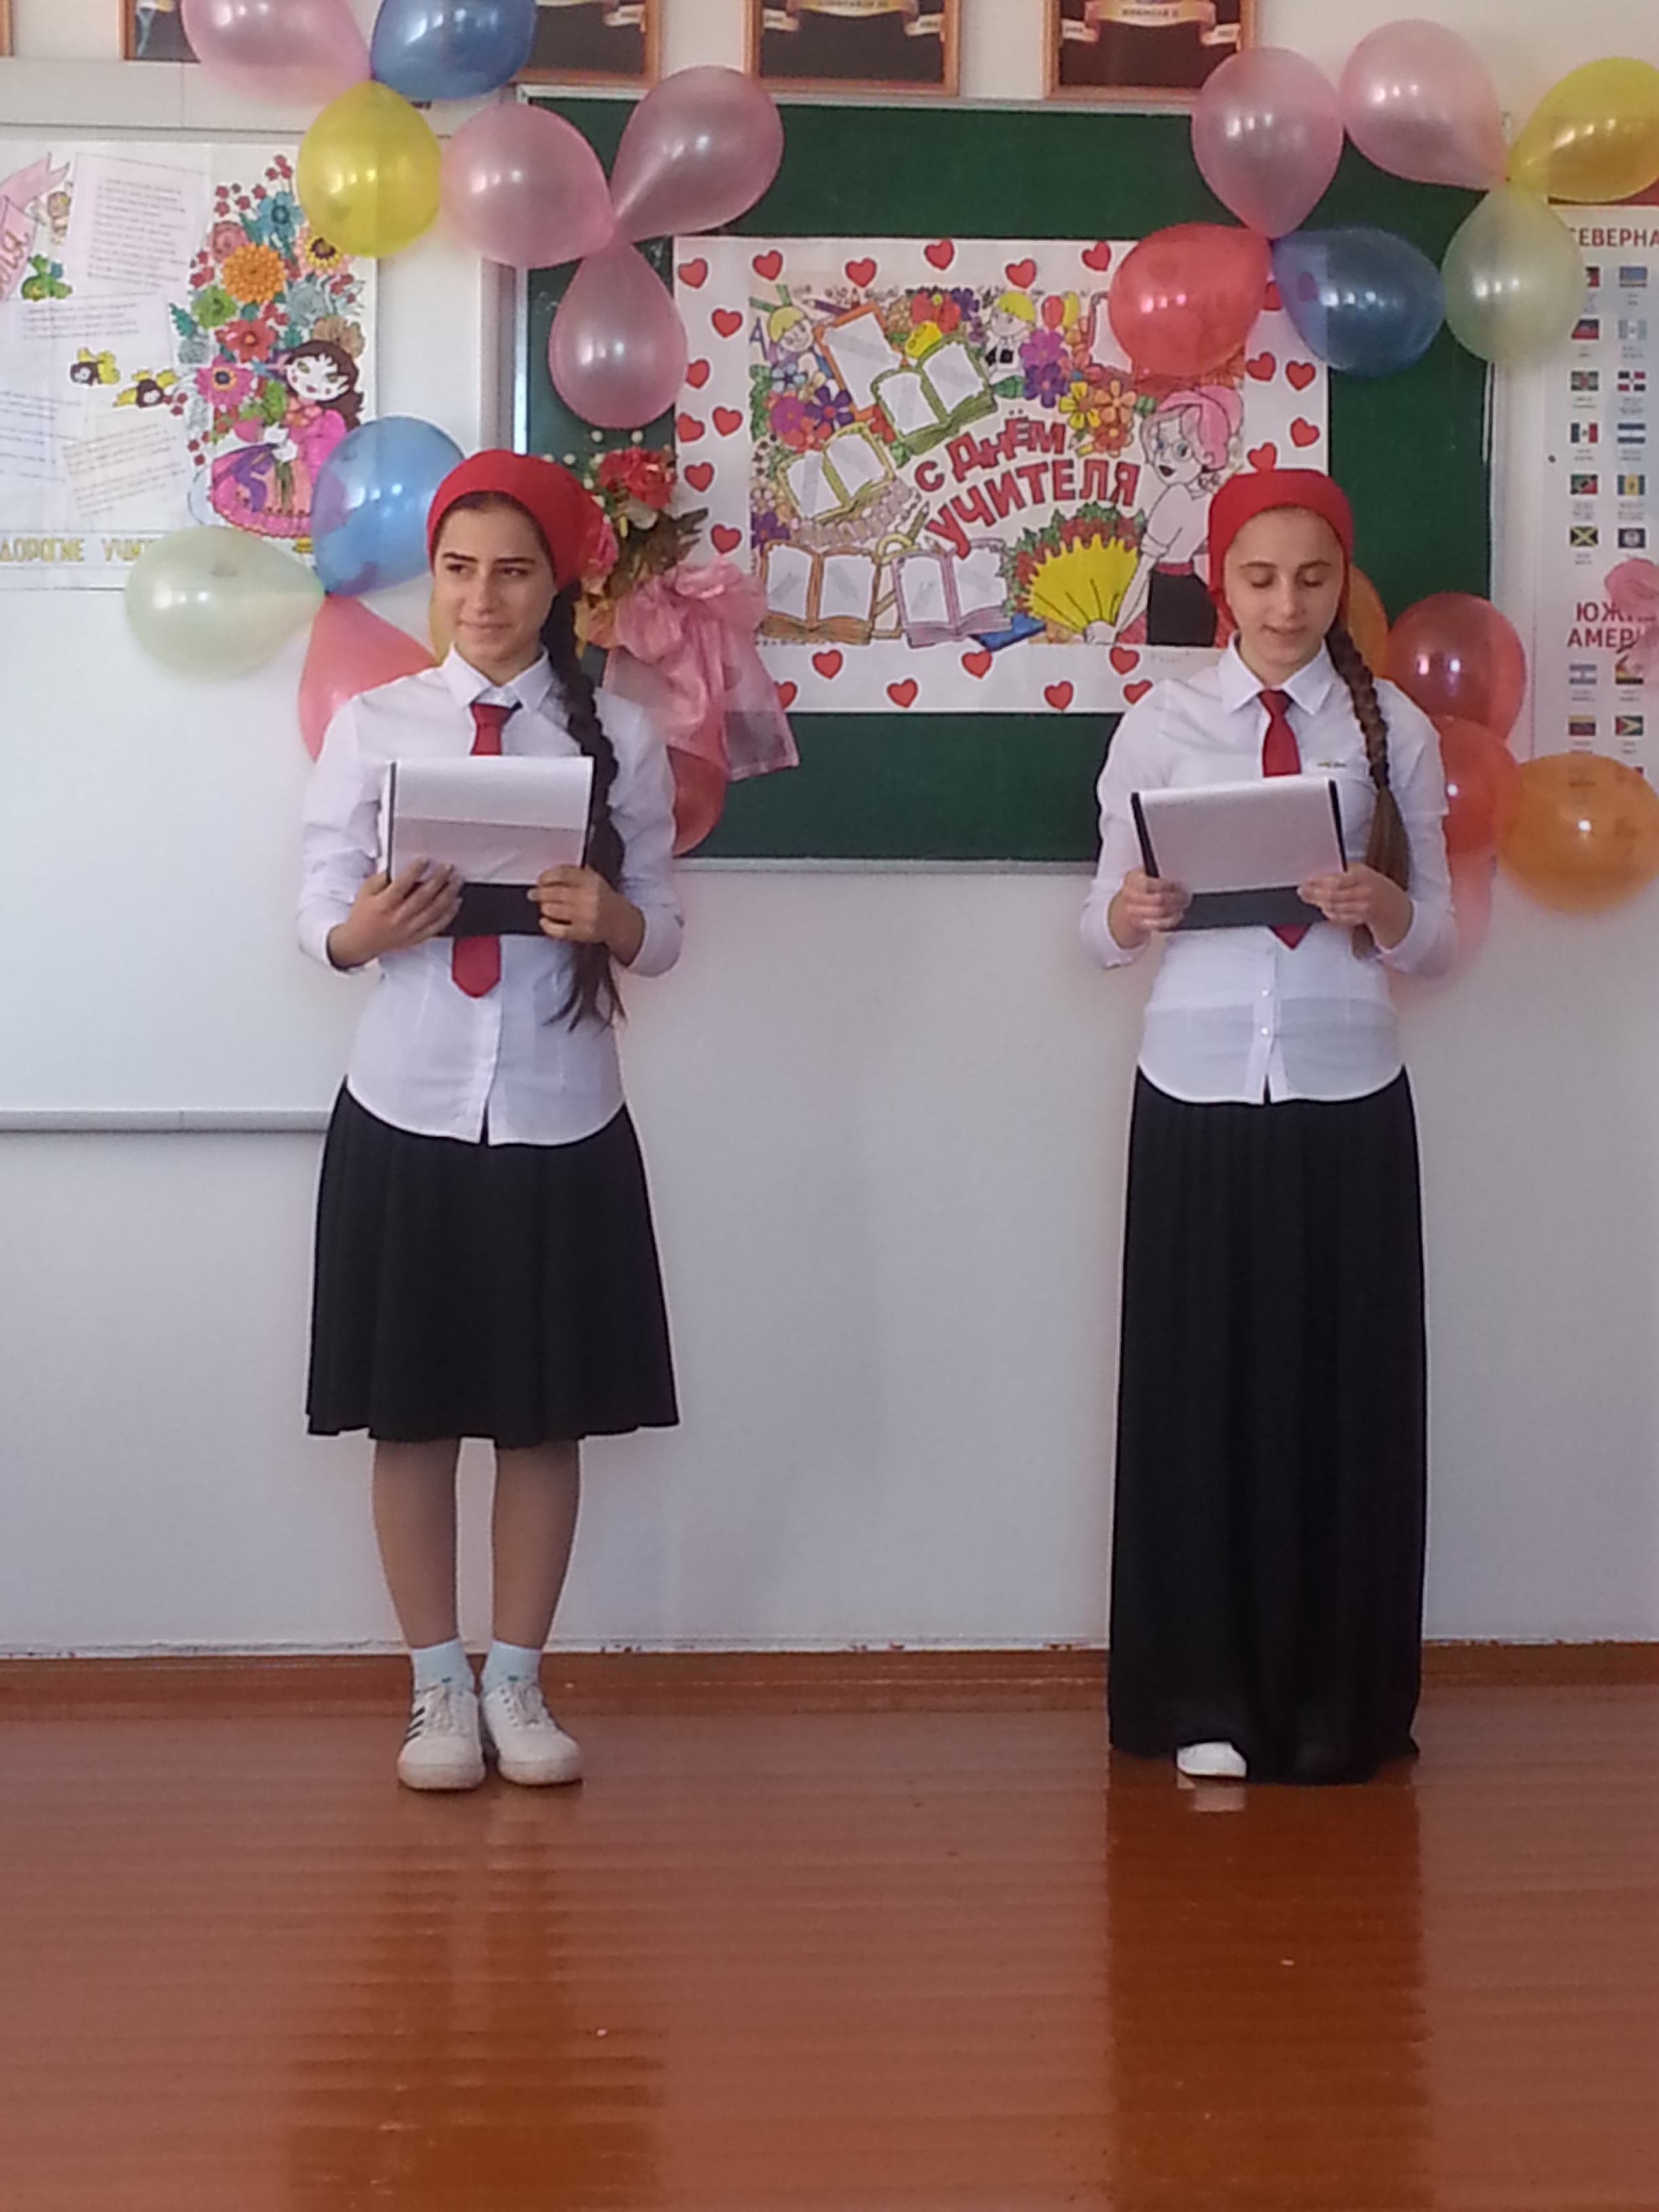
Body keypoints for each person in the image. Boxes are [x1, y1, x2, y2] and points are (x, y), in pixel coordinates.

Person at [299, 451, 682, 1793]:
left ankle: (517, 1679)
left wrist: (612, 918)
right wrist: (364, 930)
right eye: (459, 569)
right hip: (405, 1103)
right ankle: (436, 1691)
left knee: (540, 1415)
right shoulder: (377, 724)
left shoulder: (618, 736)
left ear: (556, 584)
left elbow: (665, 934)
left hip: (557, 1110)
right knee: (409, 1418)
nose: (482, 596)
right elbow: (315, 909)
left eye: (513, 571)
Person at [1081, 468, 1455, 1786]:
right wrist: (1130, 915)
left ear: (1341, 582)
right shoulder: (1163, 724)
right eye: (1259, 578)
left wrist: (1383, 908)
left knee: (1343, 1406)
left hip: (1347, 1094)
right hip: (1196, 1091)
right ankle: (1205, 1695)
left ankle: (1335, 1704)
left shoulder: (1394, 730)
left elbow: (1440, 942)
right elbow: (1095, 931)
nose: (1286, 604)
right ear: (1220, 585)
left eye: (1311, 578)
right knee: (1201, 1400)